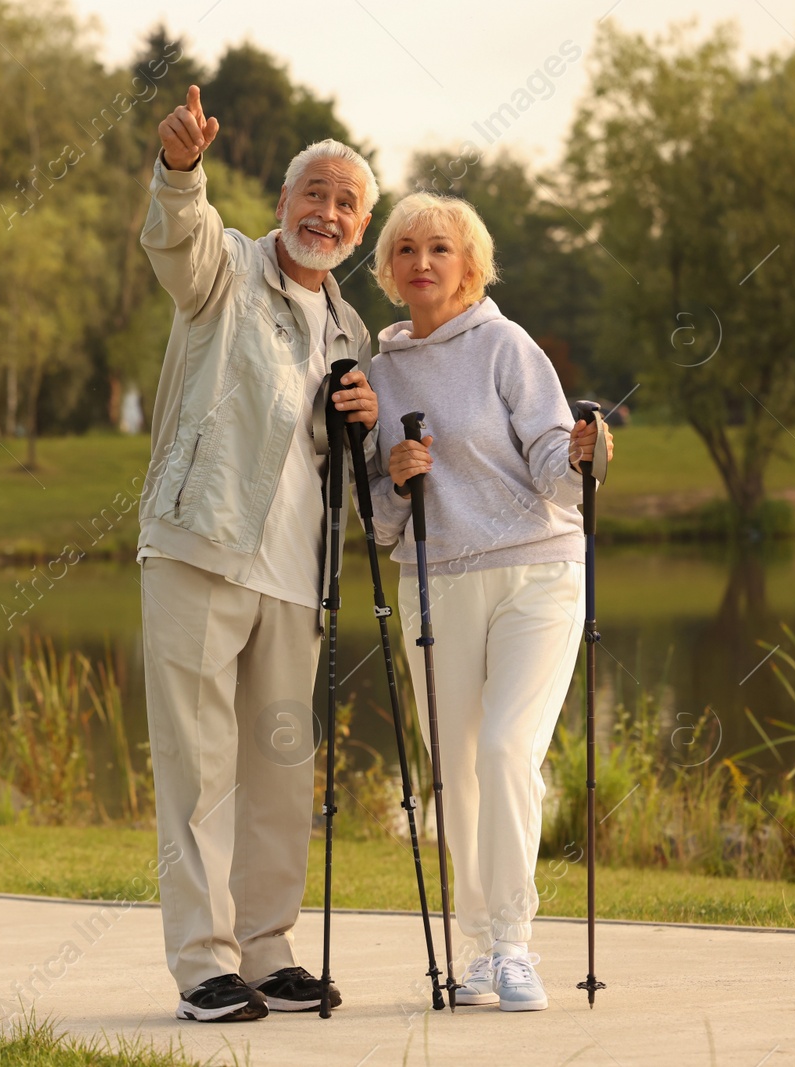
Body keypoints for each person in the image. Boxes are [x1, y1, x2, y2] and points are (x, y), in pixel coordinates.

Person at [135, 84, 379, 1023]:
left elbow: (336, 460)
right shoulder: (226, 270)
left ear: (359, 229)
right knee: (197, 769)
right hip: (201, 549)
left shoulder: (353, 333)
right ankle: (203, 960)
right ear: (283, 204)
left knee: (282, 769)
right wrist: (181, 170)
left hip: (296, 577)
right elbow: (176, 240)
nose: (326, 212)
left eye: (345, 203)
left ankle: (271, 947)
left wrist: (359, 419)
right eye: (312, 193)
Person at [363, 191, 614, 1012]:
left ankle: (513, 945)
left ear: (471, 265)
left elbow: (553, 465)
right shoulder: (376, 369)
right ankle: (477, 949)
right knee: (456, 773)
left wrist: (584, 454)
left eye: (440, 248)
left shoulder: (506, 345)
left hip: (536, 572)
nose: (423, 261)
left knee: (507, 749)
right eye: (406, 249)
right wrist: (397, 477)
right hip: (435, 580)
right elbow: (380, 518)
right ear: (389, 269)